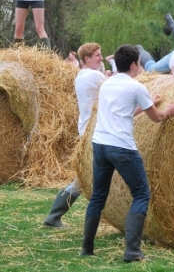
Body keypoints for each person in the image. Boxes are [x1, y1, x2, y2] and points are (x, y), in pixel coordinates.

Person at [80, 44, 174, 261]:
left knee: (98, 197)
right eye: (139, 62)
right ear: (135, 64)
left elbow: (125, 111)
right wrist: (168, 111)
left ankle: (87, 248)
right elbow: (156, 118)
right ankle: (132, 251)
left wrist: (150, 103)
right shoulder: (137, 87)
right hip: (122, 147)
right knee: (141, 193)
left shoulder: (108, 84)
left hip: (100, 145)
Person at [43, 43, 107, 228]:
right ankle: (54, 216)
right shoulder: (94, 76)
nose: (100, 58)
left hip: (87, 130)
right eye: (97, 55)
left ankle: (54, 216)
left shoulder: (81, 75)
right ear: (87, 59)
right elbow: (116, 88)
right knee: (87, 177)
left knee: (86, 176)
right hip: (95, 132)